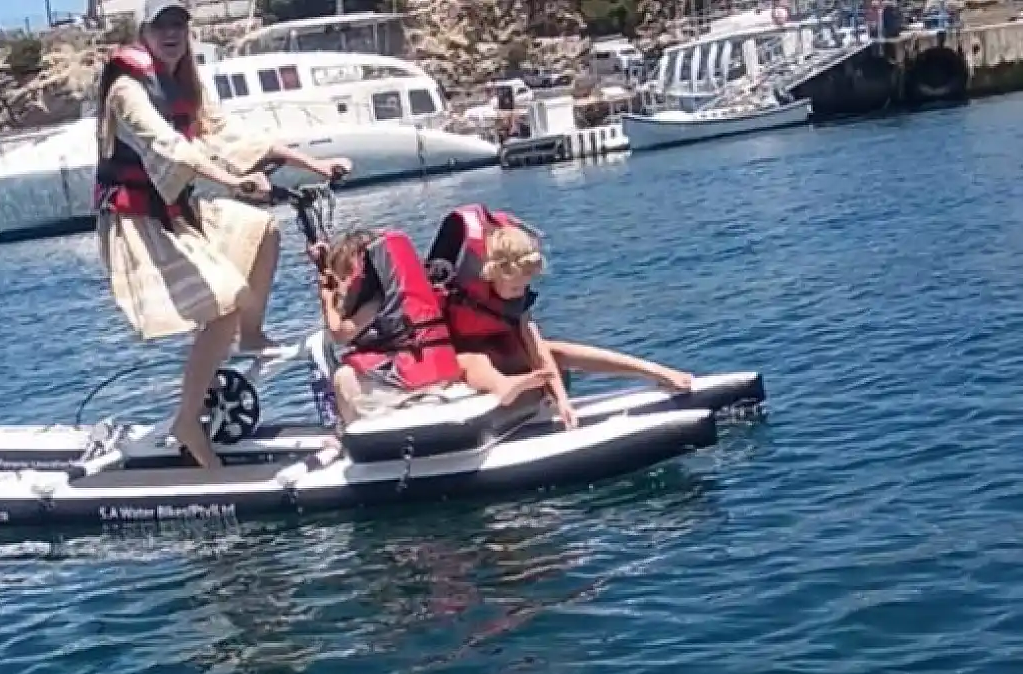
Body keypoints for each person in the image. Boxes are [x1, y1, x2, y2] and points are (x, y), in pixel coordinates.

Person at [94, 0, 351, 468]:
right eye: (161, 25)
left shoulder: (184, 84)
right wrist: (234, 182)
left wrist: (314, 164)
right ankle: (187, 420)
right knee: (224, 302)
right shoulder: (126, 91)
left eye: (179, 23)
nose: (172, 33)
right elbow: (167, 146)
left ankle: (250, 336)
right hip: (138, 222)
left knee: (262, 229)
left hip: (176, 210)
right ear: (143, 33)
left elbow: (231, 134)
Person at [426, 205, 694, 430]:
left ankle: (654, 371)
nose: (518, 293)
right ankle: (504, 386)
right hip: (454, 353)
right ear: (492, 273)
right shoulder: (459, 284)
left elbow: (539, 352)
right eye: (514, 287)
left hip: (495, 346)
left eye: (524, 286)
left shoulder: (516, 298)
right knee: (474, 360)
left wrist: (562, 401)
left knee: (555, 349)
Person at [309, 229, 553, 426]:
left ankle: (351, 434)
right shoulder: (399, 292)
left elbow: (340, 333)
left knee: (343, 376)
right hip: (430, 369)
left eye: (346, 276)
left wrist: (326, 301)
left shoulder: (374, 301)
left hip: (401, 377)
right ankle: (502, 384)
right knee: (472, 360)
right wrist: (322, 263)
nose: (345, 284)